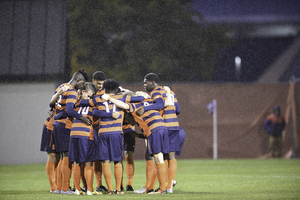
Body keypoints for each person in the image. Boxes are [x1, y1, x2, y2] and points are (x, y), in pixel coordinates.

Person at [104, 88, 172, 194]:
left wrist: (109, 98)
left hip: (154, 129)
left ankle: (162, 189)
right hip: (163, 128)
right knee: (161, 158)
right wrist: (168, 92)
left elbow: (124, 106)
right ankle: (161, 187)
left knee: (158, 158)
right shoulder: (149, 101)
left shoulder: (134, 105)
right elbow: (167, 102)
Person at [92, 79, 144, 195]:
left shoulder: (97, 98)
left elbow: (93, 111)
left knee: (105, 161)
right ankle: (118, 189)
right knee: (117, 161)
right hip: (116, 133)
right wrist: (129, 93)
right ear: (116, 89)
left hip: (103, 133)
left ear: (104, 88)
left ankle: (110, 190)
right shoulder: (122, 97)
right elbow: (140, 99)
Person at [137, 73, 181, 193]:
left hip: (163, 126)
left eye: (146, 82)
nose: (144, 85)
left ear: (152, 82)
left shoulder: (155, 92)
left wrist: (146, 108)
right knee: (171, 156)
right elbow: (178, 110)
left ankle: (160, 186)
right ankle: (169, 186)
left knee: (159, 157)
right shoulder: (171, 92)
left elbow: (159, 104)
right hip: (175, 126)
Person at [51, 68, 90, 194]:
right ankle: (65, 188)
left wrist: (56, 115)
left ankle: (59, 188)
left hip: (57, 124)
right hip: (64, 125)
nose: (81, 87)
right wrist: (82, 117)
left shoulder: (61, 87)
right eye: (82, 83)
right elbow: (69, 110)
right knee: (67, 157)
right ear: (78, 80)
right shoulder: (72, 91)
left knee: (62, 157)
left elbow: (52, 105)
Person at [68, 82, 102, 195]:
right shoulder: (93, 106)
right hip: (86, 135)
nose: (89, 99)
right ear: (83, 92)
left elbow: (68, 111)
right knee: (88, 163)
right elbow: (96, 120)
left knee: (76, 162)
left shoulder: (76, 104)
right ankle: (89, 190)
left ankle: (77, 189)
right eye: (89, 96)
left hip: (74, 134)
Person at [40, 85, 69, 193]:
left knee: (60, 157)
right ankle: (53, 187)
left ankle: (59, 186)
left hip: (59, 127)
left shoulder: (68, 96)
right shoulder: (65, 95)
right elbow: (51, 107)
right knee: (53, 156)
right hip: (51, 126)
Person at [91, 71, 108, 193]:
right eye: (98, 83)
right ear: (93, 81)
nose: (100, 86)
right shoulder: (87, 91)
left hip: (100, 128)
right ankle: (87, 185)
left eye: (102, 84)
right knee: (88, 157)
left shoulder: (106, 93)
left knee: (100, 157)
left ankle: (100, 185)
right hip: (89, 129)